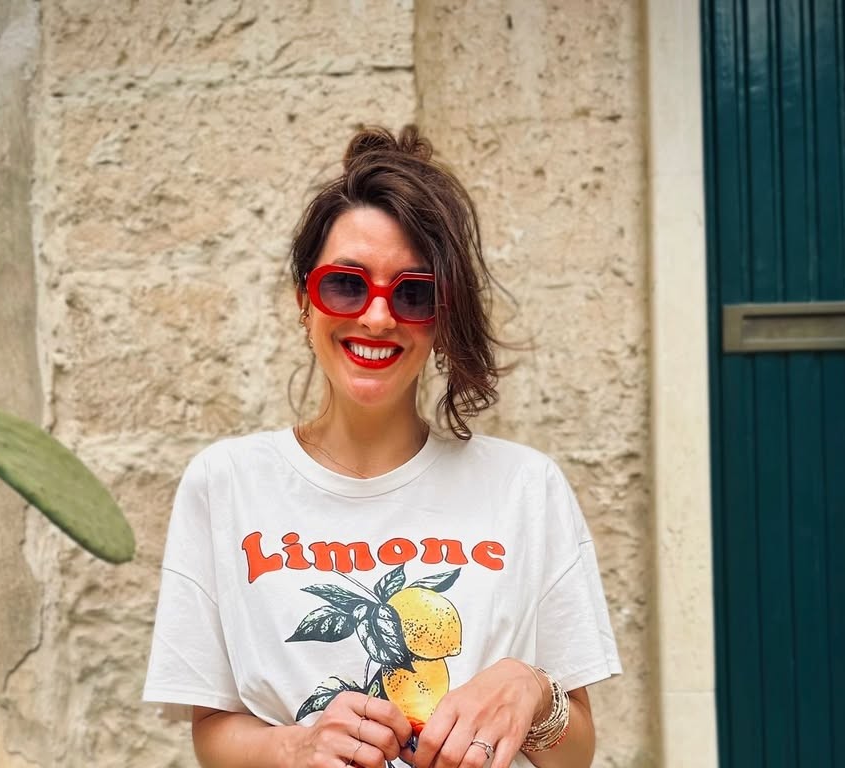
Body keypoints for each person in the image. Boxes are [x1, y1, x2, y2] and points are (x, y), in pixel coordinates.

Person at [143, 125, 621, 768]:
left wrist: (531, 689)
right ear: (304, 301)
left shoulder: (526, 487)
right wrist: (298, 745)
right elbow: (212, 732)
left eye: (413, 293)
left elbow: (576, 752)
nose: (376, 317)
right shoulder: (225, 482)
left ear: (441, 318)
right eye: (346, 284)